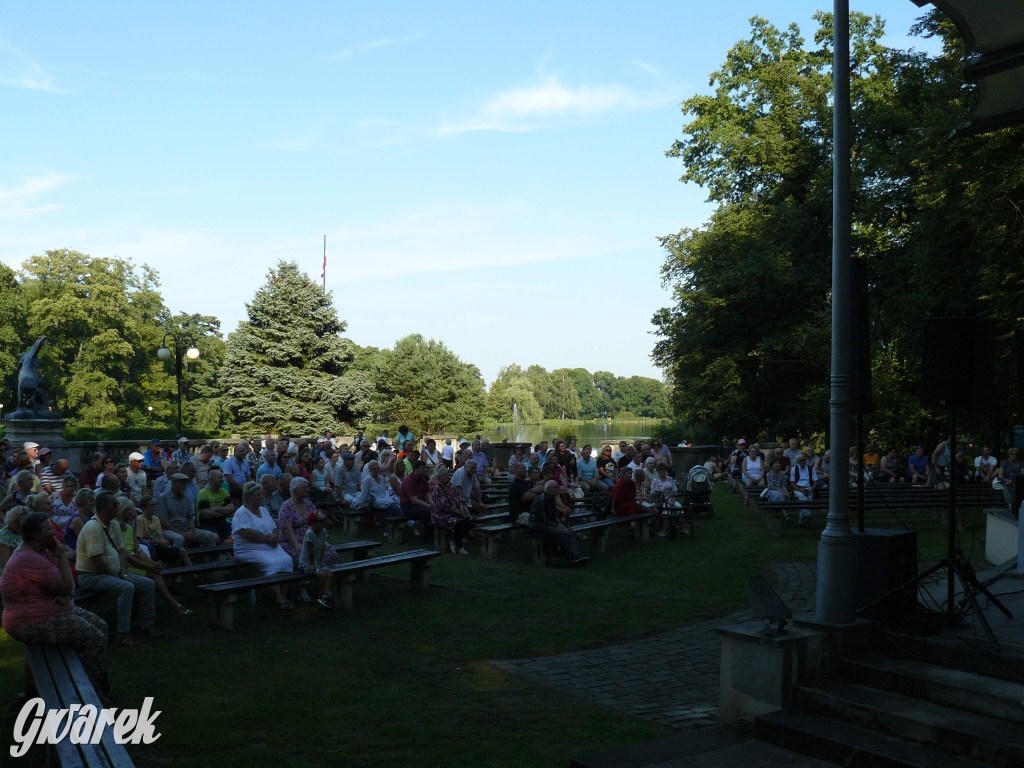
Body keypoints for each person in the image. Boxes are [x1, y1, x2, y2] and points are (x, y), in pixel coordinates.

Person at [1, 512, 110, 695]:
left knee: (101, 626)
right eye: (48, 528)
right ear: (36, 534)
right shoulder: (30, 558)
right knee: (95, 639)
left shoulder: (41, 549)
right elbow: (68, 585)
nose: (53, 532)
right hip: (30, 622)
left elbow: (68, 588)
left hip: (52, 611)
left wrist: (66, 594)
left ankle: (89, 682)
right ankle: (85, 691)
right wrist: (61, 558)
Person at [76, 491, 159, 646]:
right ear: (102, 507)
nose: (117, 507)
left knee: (149, 584)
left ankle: (146, 624)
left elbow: (122, 551)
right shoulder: (93, 527)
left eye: (117, 505)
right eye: (114, 505)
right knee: (126, 587)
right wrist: (119, 577)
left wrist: (124, 573)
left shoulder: (113, 524)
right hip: (92, 576)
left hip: (112, 573)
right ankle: (122, 634)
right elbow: (98, 560)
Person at [116, 497, 192, 615]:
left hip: (134, 561)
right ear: (122, 511)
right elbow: (124, 554)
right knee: (152, 575)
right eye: (131, 510)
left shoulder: (129, 528)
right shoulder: (115, 529)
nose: (134, 513)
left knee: (156, 570)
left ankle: (172, 604)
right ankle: (173, 605)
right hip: (123, 566)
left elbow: (139, 550)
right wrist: (149, 566)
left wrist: (152, 564)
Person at [232, 481, 295, 610]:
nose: (261, 497)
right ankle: (278, 598)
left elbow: (274, 527)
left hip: (270, 546)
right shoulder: (241, 513)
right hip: (249, 548)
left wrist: (274, 536)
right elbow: (247, 533)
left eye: (261, 494)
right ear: (249, 497)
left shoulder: (264, 510)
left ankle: (284, 595)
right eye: (258, 495)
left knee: (287, 560)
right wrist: (267, 540)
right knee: (271, 564)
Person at [278, 477, 340, 572]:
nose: (307, 489)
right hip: (291, 542)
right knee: (302, 555)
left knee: (330, 552)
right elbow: (286, 529)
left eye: (307, 487)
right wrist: (296, 544)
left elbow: (317, 522)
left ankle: (326, 574)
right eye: (304, 487)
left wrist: (322, 541)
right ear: (295, 489)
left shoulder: (309, 503)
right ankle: (304, 582)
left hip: (311, 539)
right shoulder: (286, 506)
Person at [529, 480, 585, 564]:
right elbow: (545, 520)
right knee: (561, 532)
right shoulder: (541, 500)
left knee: (570, 531)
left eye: (557, 487)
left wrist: (560, 525)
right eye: (554, 488)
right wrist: (560, 527)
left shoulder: (552, 499)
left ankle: (577, 555)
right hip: (538, 525)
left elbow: (554, 516)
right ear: (547, 489)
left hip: (548, 523)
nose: (557, 490)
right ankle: (571, 557)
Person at [157, 472, 217, 548]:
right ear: (174, 483)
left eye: (185, 483)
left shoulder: (187, 498)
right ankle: (177, 558)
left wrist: (191, 530)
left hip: (186, 528)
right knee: (179, 538)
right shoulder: (163, 497)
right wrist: (181, 533)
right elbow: (163, 521)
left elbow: (190, 517)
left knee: (209, 535)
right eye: (182, 483)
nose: (185, 486)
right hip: (169, 530)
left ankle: (211, 559)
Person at [136, 495, 191, 567]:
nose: (155, 507)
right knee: (177, 556)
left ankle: (195, 576)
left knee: (182, 552)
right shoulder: (140, 520)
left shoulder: (156, 519)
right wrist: (159, 542)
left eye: (155, 504)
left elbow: (160, 536)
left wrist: (164, 543)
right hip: (150, 548)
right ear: (143, 508)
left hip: (159, 547)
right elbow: (141, 540)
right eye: (151, 505)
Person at [430, 466, 474, 555]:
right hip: (441, 515)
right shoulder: (437, 490)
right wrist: (459, 512)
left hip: (453, 513)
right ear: (439, 478)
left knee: (470, 521)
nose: (448, 476)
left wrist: (461, 507)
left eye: (448, 474)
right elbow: (444, 506)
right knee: (459, 522)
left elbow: (459, 499)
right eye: (445, 475)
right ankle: (459, 546)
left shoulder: (450, 488)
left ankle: (454, 538)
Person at [300, 510, 334, 609]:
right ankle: (319, 595)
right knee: (322, 574)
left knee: (329, 573)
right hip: (306, 563)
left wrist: (320, 561)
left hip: (316, 562)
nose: (323, 524)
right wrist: (311, 564)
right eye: (320, 522)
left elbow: (323, 546)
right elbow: (311, 550)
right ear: (312, 523)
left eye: (324, 522)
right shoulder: (309, 533)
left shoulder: (323, 532)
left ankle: (325, 594)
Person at [195, 469, 234, 544]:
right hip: (207, 524)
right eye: (220, 478)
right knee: (215, 538)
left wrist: (216, 509)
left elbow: (231, 508)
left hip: (222, 523)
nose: (222, 480)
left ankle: (222, 551)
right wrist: (225, 513)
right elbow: (206, 514)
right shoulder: (203, 493)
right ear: (211, 479)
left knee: (236, 538)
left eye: (222, 477)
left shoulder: (223, 491)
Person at [0, 504, 30, 573]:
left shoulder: (23, 532)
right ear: (12, 521)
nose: (22, 527)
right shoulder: (3, 536)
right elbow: (6, 564)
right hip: (10, 573)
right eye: (19, 524)